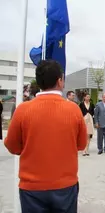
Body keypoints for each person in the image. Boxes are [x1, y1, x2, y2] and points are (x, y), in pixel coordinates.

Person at [4, 60, 87, 213]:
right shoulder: (73, 110)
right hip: (65, 186)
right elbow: (81, 144)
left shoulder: (23, 110)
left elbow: (12, 146)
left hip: (32, 188)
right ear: (59, 81)